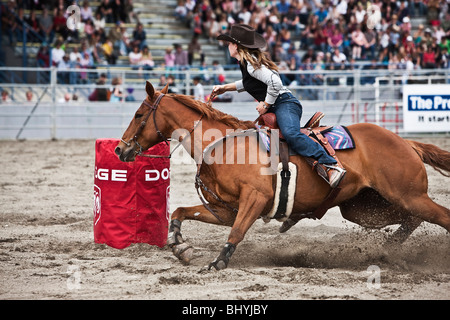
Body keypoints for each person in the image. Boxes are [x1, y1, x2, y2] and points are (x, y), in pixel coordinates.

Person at [212, 24, 346, 188]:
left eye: (229, 43)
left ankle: (330, 164)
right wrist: (225, 87)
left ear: (237, 46)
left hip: (285, 103)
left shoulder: (250, 64)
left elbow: (275, 82)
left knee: (291, 134)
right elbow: (249, 83)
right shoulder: (247, 64)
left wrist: (266, 104)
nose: (228, 46)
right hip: (279, 104)